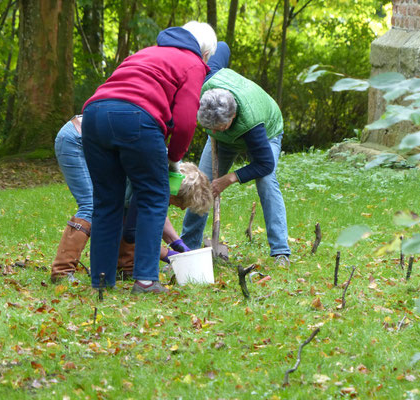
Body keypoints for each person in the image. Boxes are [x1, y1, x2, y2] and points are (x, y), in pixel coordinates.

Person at [81, 22, 217, 293]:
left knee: (108, 202)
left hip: (93, 115)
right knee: (153, 196)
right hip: (137, 118)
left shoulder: (145, 52)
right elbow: (186, 119)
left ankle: (101, 281)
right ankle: (145, 280)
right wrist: (174, 159)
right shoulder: (193, 63)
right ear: (204, 54)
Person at [50, 117, 211, 283]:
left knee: (123, 207)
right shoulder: (153, 170)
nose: (182, 209)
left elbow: (143, 211)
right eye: (181, 204)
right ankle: (61, 272)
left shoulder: (171, 173)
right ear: (175, 193)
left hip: (97, 138)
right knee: (91, 205)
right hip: (77, 141)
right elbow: (137, 231)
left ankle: (125, 267)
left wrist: (178, 243)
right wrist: (168, 254)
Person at [180, 42, 291, 265]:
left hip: (267, 129)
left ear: (232, 118)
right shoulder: (207, 81)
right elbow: (222, 46)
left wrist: (229, 179)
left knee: (266, 181)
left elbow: (265, 164)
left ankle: (280, 251)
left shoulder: (252, 123)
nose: (210, 131)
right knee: (201, 183)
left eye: (217, 128)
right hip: (225, 140)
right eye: (207, 127)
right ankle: (188, 247)